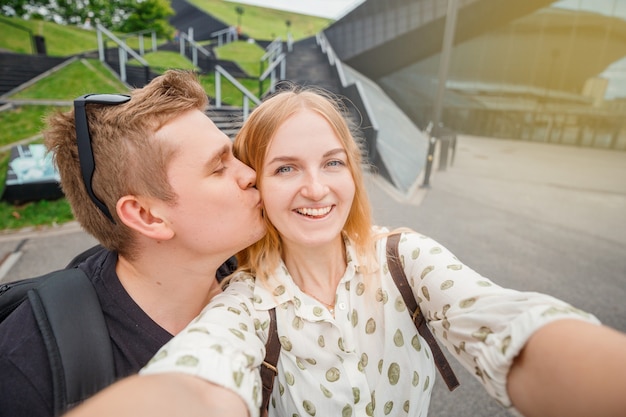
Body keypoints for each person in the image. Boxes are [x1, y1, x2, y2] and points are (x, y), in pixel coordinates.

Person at [64, 86, 626, 417]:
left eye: (333, 162)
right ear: (256, 182)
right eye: (285, 168)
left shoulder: (408, 261)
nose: (317, 188)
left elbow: (514, 331)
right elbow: (197, 384)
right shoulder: (243, 303)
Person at [0, 69, 265, 416]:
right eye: (218, 167)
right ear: (147, 216)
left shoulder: (260, 270)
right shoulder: (27, 367)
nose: (250, 174)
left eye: (233, 156)